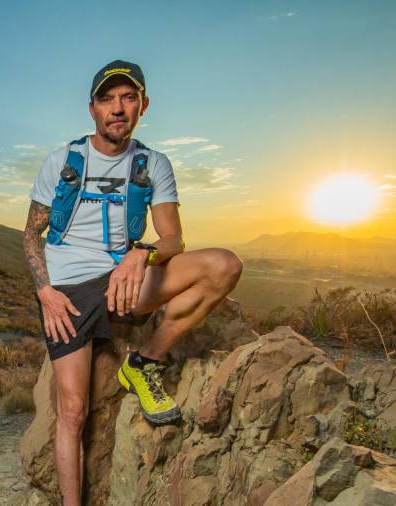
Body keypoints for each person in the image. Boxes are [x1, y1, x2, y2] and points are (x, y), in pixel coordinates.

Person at [22, 60, 243, 505]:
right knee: (72, 412)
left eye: (127, 98)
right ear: (92, 110)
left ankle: (144, 361)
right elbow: (31, 234)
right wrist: (45, 292)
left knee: (224, 265)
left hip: (125, 282)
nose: (117, 108)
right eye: (107, 99)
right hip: (65, 292)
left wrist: (141, 254)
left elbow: (173, 238)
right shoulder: (63, 161)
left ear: (143, 105)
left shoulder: (152, 164)